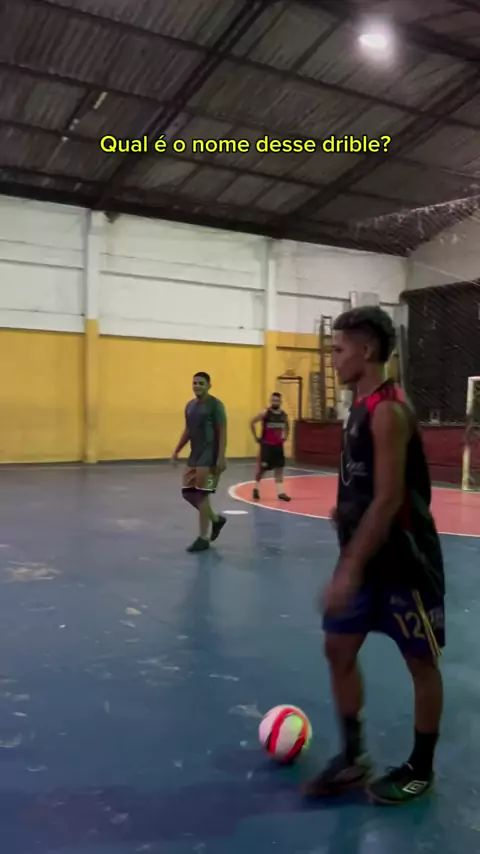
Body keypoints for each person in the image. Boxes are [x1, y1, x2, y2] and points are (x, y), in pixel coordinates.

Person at [304, 306, 445, 805]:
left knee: (421, 663)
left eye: (339, 349)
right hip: (365, 556)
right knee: (338, 649)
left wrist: (348, 570)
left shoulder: (388, 411)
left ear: (365, 351)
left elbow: (388, 500)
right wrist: (343, 511)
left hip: (404, 562)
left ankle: (421, 769)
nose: (333, 358)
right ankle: (353, 756)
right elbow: (366, 488)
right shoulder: (360, 408)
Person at [172, 372, 227, 553]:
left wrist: (221, 457)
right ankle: (216, 520)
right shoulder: (190, 406)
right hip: (194, 456)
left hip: (209, 457)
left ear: (209, 385)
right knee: (188, 493)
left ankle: (203, 538)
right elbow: (188, 430)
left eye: (201, 383)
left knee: (202, 495)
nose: (197, 386)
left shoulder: (216, 405)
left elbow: (222, 431)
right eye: (195, 383)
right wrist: (177, 450)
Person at [250, 392, 291, 502]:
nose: (275, 402)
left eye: (277, 400)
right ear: (270, 401)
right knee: (262, 470)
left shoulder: (283, 415)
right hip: (267, 446)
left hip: (278, 446)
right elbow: (252, 422)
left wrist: (285, 436)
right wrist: (256, 437)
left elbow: (287, 426)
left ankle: (281, 492)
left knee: (279, 468)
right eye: (273, 400)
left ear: (280, 402)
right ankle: (256, 488)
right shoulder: (265, 413)